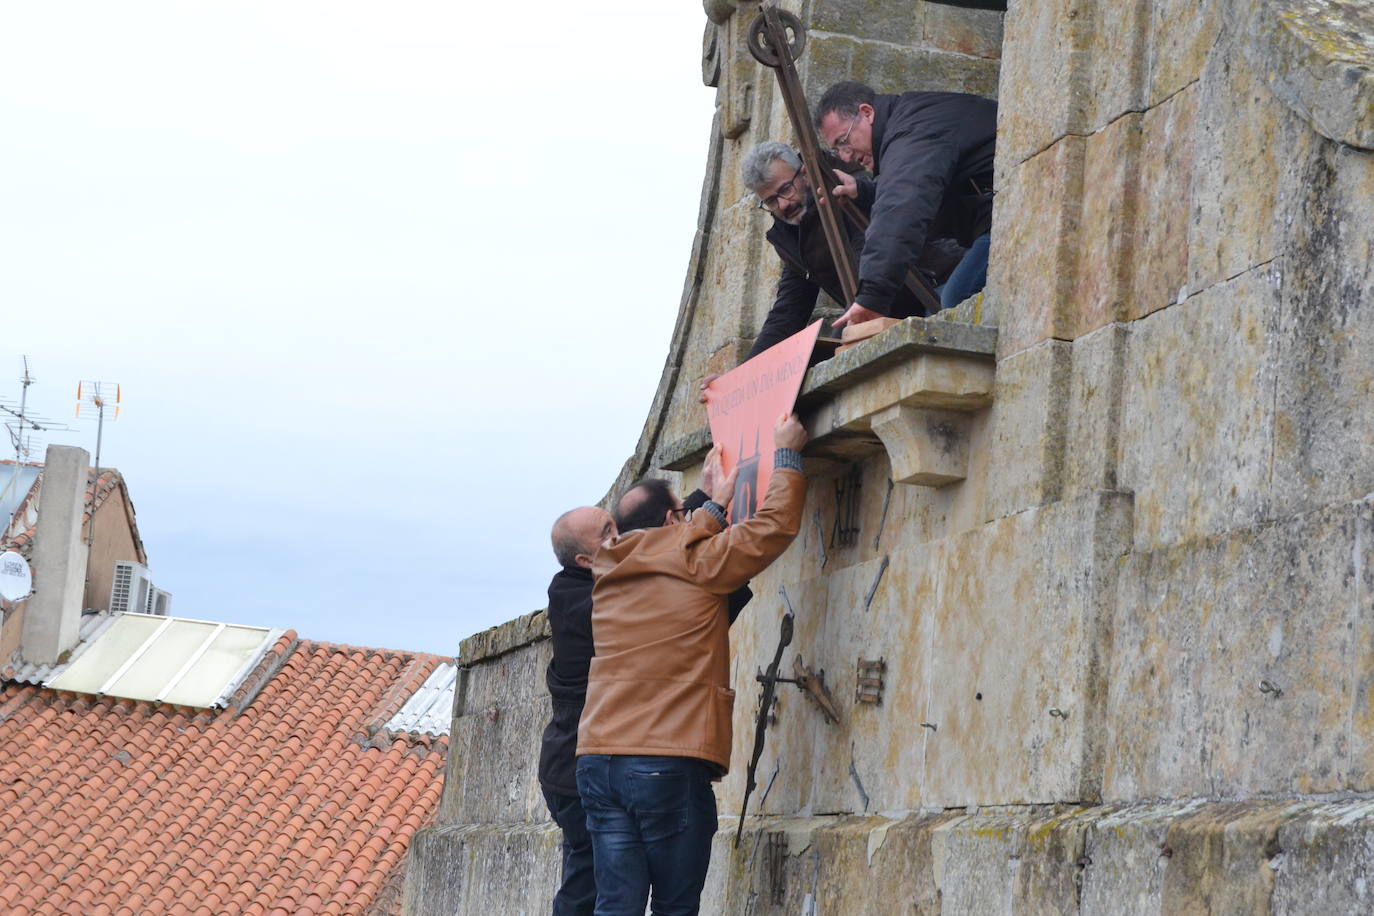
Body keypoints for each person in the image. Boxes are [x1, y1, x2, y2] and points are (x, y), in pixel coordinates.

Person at [575, 415, 809, 915]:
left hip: (598, 759)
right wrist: (786, 455)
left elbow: (670, 549)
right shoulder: (699, 565)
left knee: (616, 905)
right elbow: (773, 527)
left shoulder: (608, 574)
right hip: (663, 761)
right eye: (682, 512)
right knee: (675, 908)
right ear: (671, 521)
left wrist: (710, 504)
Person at [539, 492, 752, 914]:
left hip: (590, 764)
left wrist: (698, 502)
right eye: (608, 532)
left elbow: (647, 539)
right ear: (584, 560)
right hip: (584, 770)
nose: (623, 536)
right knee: (594, 893)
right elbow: (659, 577)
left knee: (609, 896)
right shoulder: (586, 598)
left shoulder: (597, 580)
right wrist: (704, 518)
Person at [739, 140, 965, 359]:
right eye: (770, 202)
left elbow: (868, 266)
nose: (783, 205)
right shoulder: (791, 235)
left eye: (786, 189)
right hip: (884, 313)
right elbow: (789, 311)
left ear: (805, 173)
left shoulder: (844, 185)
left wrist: (842, 339)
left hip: (934, 288)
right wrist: (742, 377)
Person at [814, 80, 998, 325]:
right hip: (995, 218)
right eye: (837, 150)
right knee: (942, 306)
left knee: (957, 298)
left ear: (867, 113)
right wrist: (862, 191)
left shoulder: (912, 129)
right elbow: (919, 185)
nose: (846, 156)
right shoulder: (910, 124)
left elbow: (901, 204)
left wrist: (872, 297)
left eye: (843, 140)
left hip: (1013, 216)